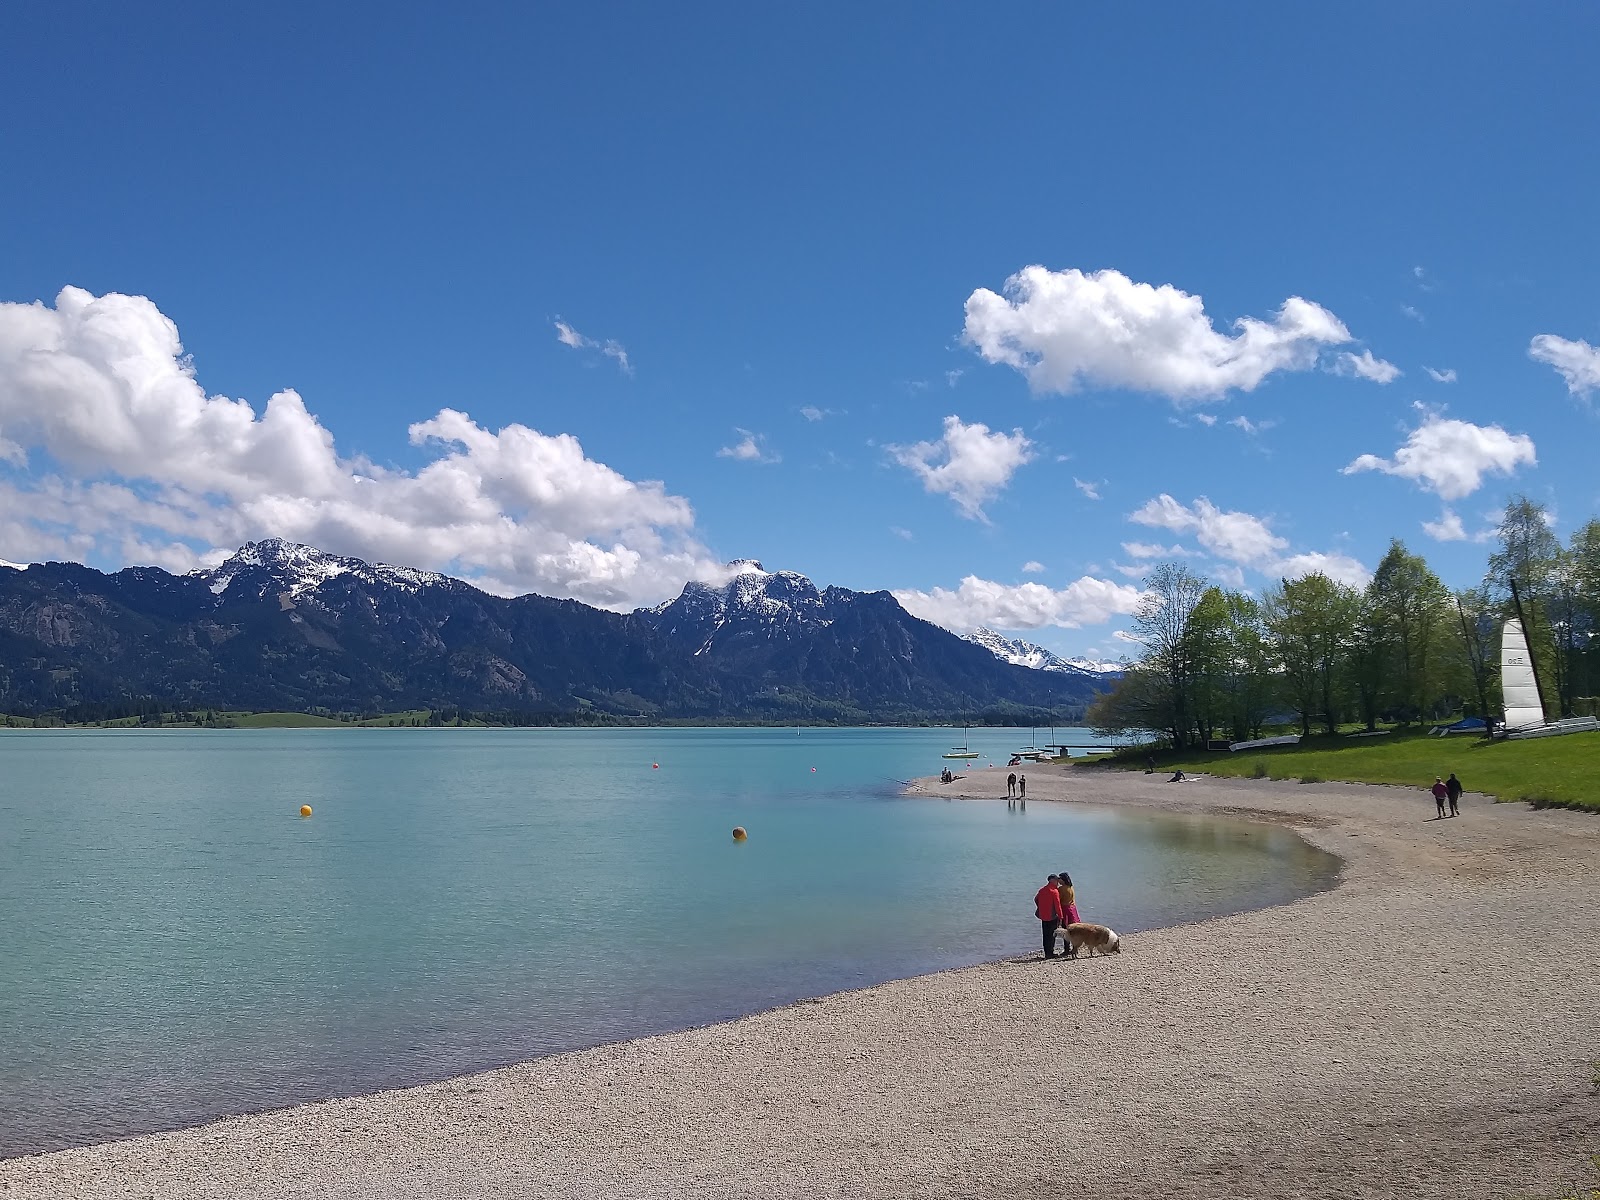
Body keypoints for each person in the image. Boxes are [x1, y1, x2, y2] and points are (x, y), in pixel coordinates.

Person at [1035, 873, 1066, 959]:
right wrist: (1061, 916)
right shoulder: (1054, 891)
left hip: (1043, 915)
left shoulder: (1042, 890)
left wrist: (1040, 907)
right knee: (1052, 935)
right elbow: (1057, 905)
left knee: (1045, 935)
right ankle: (1050, 953)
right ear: (1053, 881)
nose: (1058, 883)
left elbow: (1036, 899)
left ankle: (1047, 952)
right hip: (1052, 916)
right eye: (1056, 880)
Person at [1054, 870, 1081, 959]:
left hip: (1065, 910)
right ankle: (1074, 947)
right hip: (1073, 909)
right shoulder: (1071, 887)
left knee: (1065, 930)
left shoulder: (1062, 889)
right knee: (1074, 930)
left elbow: (1057, 900)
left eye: (1059, 879)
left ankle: (1066, 949)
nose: (1058, 880)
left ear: (1063, 880)